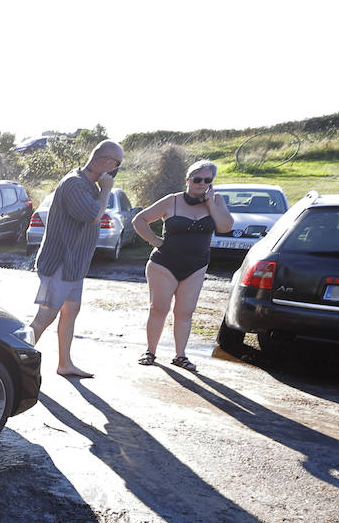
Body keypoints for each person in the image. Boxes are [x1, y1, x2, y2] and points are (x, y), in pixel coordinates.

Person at [29, 140, 125, 377]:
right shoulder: (75, 184)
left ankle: (65, 364)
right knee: (45, 316)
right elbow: (94, 215)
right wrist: (106, 190)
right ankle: (13, 361)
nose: (116, 171)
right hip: (60, 263)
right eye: (117, 165)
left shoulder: (88, 184)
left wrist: (101, 189)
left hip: (74, 266)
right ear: (106, 162)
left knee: (70, 312)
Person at [131, 160, 233, 371]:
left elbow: (225, 227)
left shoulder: (216, 201)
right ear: (188, 180)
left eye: (207, 180)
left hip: (196, 266)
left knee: (185, 312)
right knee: (159, 309)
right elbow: (139, 220)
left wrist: (211, 205)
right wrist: (155, 241)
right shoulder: (172, 201)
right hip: (164, 265)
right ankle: (150, 352)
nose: (202, 184)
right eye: (197, 179)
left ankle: (180, 356)